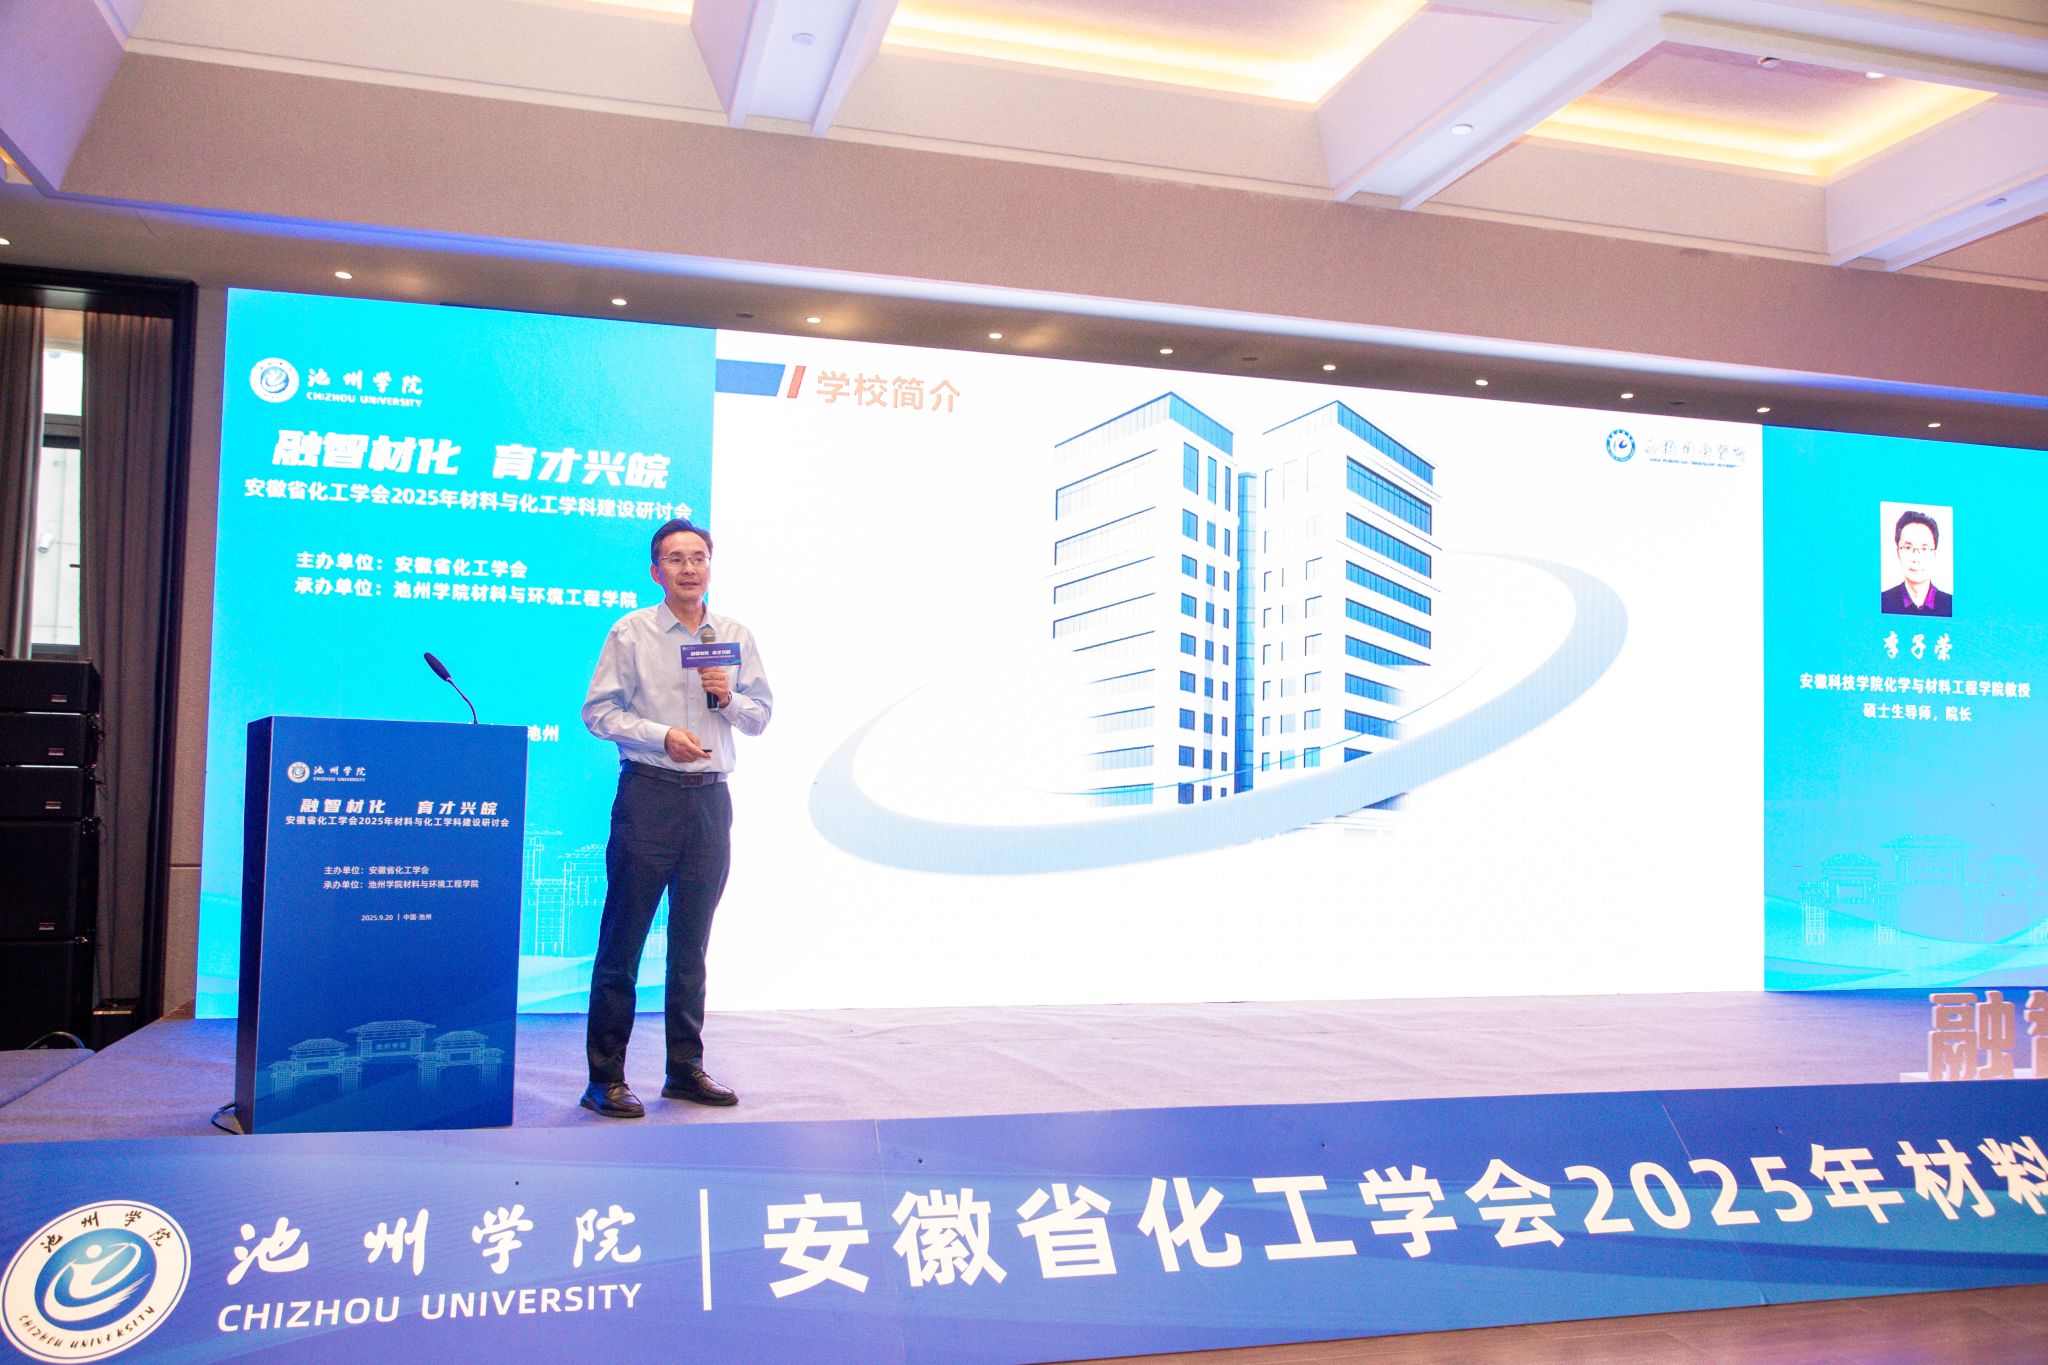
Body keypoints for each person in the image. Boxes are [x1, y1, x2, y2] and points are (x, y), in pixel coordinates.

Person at [577, 518, 772, 1117]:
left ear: (710, 565)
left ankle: (684, 1070)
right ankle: (605, 1078)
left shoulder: (734, 635)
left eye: (698, 557)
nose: (689, 568)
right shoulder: (631, 632)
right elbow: (598, 712)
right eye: (676, 559)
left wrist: (728, 697)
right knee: (623, 942)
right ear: (655, 571)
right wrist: (662, 736)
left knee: (692, 945)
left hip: (710, 801)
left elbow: (760, 716)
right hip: (649, 796)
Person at [1880, 509, 1952, 617]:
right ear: (1898, 552)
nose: (1916, 558)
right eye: (1908, 548)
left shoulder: (1951, 605)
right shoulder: (1883, 602)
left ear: (1934, 554)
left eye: (1924, 549)